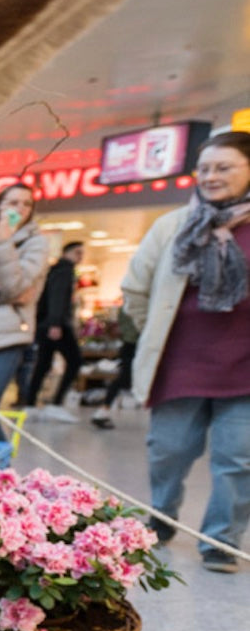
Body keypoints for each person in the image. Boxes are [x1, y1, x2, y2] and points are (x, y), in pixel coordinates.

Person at [121, 130, 250, 573]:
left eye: (224, 167)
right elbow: (135, 288)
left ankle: (221, 540)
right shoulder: (172, 226)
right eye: (205, 169)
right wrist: (153, 332)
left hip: (245, 370)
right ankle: (161, 515)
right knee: (168, 450)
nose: (211, 177)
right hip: (180, 364)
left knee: (238, 459)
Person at [0, 182, 51, 440]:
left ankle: (3, 475)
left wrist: (3, 241)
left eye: (27, 203)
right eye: (13, 202)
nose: (21, 208)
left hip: (8, 336)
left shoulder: (36, 243)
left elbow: (13, 287)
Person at [25, 240, 85, 421]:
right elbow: (57, 297)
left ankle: (30, 404)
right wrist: (55, 323)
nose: (80, 257)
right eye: (77, 252)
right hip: (55, 325)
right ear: (68, 252)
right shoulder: (64, 270)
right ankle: (55, 403)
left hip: (46, 324)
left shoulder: (56, 269)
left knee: (43, 364)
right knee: (75, 361)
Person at [90, 307, 139, 428]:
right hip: (133, 346)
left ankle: (103, 410)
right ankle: (102, 411)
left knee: (124, 379)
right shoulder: (131, 306)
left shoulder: (124, 308)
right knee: (124, 379)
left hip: (130, 346)